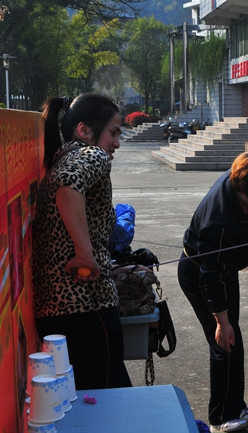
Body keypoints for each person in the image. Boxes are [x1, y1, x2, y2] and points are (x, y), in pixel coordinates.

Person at [178, 149, 248, 433]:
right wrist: (221, 321)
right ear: (246, 192)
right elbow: (210, 277)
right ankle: (220, 415)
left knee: (233, 340)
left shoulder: (242, 176)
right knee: (223, 342)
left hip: (223, 271)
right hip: (201, 275)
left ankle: (236, 405)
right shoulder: (219, 223)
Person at [33, 93, 132, 390]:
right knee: (105, 398)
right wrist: (86, 255)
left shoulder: (60, 158)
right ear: (84, 130)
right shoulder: (92, 154)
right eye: (113, 132)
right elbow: (69, 185)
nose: (116, 143)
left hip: (55, 312)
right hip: (87, 307)